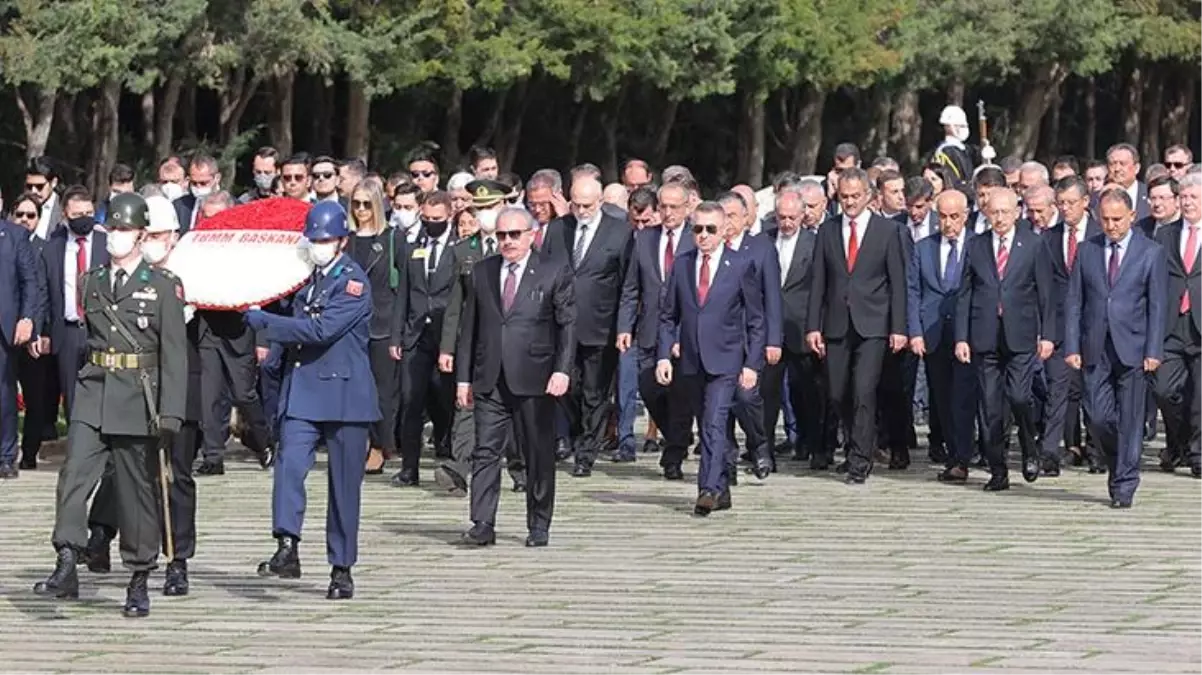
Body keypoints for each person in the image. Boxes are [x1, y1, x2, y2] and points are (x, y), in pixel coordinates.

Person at [33, 193, 188, 618]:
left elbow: (175, 353)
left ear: (140, 234)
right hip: (94, 389)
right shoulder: (94, 280)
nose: (116, 237)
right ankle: (67, 558)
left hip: (138, 396)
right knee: (73, 476)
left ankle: (138, 577)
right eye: (112, 229)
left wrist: (171, 410)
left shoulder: (162, 287)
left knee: (134, 490)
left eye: (124, 230)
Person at [246, 201, 379, 600]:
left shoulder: (353, 282)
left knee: (343, 487)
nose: (318, 245)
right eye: (314, 239)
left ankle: (341, 567)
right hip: (303, 390)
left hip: (344, 395)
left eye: (325, 239)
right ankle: (287, 543)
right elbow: (284, 304)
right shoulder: (305, 277)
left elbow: (322, 328)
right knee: (288, 466)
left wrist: (267, 323)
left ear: (341, 241)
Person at [81, 196, 200, 595]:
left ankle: (177, 556)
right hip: (127, 390)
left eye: (161, 235)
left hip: (178, 385)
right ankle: (103, 536)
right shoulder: (113, 277)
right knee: (122, 474)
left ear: (172, 238)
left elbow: (184, 348)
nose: (151, 242)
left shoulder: (181, 277)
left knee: (174, 475)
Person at [454, 208, 575, 547]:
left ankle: (538, 523)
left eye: (514, 235)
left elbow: (567, 326)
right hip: (490, 376)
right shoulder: (482, 271)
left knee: (537, 452)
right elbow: (470, 329)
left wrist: (562, 370)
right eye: (502, 235)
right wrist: (463, 379)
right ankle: (482, 521)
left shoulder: (552, 271)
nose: (507, 241)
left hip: (536, 376)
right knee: (485, 450)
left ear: (531, 235)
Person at [656, 202, 765, 516]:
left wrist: (751, 364)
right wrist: (664, 355)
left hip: (727, 359)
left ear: (725, 231)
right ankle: (722, 490)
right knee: (704, 421)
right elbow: (668, 316)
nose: (703, 235)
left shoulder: (741, 264)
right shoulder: (682, 264)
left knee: (714, 424)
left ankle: (707, 489)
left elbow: (756, 320)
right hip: (691, 359)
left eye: (710, 229)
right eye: (698, 229)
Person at [1066, 188, 1167, 508]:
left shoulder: (1150, 252)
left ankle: (1124, 483)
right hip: (1095, 345)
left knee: (1131, 418)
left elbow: (1158, 305)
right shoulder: (1087, 250)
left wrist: (1154, 350)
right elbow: (1074, 302)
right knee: (1096, 416)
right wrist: (1071, 345)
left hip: (1134, 347)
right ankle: (1118, 459)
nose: (1110, 226)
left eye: (1117, 220)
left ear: (1132, 217)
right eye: (1105, 219)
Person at [806, 168, 907, 484]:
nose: (849, 202)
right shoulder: (827, 231)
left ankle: (860, 460)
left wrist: (899, 327)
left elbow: (898, 284)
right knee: (838, 393)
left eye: (855, 196)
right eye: (844, 196)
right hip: (836, 323)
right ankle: (856, 442)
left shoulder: (887, 232)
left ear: (868, 197)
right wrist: (813, 326)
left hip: (874, 324)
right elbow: (818, 283)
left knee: (864, 390)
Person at [955, 188, 1056, 491]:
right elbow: (964, 295)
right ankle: (997, 470)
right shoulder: (976, 246)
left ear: (1016, 213)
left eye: (1004, 212)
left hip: (1021, 336)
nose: (999, 218)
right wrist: (962, 337)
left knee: (1020, 397)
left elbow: (1047, 295)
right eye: (993, 212)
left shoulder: (1034, 245)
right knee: (990, 407)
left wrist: (1048, 335)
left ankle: (1029, 447)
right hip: (985, 336)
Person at [540, 177, 634, 477]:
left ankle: (586, 453)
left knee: (595, 392)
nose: (581, 211)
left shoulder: (620, 232)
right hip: (562, 325)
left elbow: (627, 284)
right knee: (566, 388)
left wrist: (623, 326)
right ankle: (580, 432)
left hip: (600, 325)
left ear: (600, 203)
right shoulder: (558, 229)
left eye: (587, 205)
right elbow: (544, 275)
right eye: (576, 204)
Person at [436, 185, 527, 496]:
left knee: (514, 408)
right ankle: (460, 467)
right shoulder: (463, 250)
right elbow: (454, 306)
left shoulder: (519, 245)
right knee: (466, 404)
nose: (485, 213)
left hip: (514, 341)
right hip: (475, 342)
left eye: (492, 206)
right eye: (481, 207)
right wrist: (447, 347)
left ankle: (520, 468)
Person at [617, 183, 695, 480]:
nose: (669, 212)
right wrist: (625, 326)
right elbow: (631, 288)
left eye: (675, 207)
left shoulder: (696, 237)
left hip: (685, 331)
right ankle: (679, 434)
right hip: (649, 328)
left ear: (687, 207)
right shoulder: (645, 239)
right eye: (663, 206)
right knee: (649, 389)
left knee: (680, 395)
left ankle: (673, 453)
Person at [907, 190, 977, 481]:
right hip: (933, 330)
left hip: (969, 334)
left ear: (966, 216)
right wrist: (915, 331)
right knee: (943, 397)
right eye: (943, 217)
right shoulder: (923, 247)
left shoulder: (978, 245)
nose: (948, 223)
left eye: (954, 217)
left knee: (965, 396)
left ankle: (967, 451)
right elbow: (912, 291)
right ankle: (954, 455)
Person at [393, 191, 460, 487]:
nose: (432, 224)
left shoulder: (459, 249)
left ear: (450, 217)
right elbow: (403, 295)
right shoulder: (413, 247)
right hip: (415, 334)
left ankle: (449, 456)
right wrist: (396, 335)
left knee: (446, 399)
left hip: (446, 336)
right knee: (411, 400)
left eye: (438, 220)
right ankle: (409, 467)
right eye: (427, 219)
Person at [345, 181, 408, 475]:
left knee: (383, 391)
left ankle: (383, 445)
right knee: (355, 390)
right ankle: (363, 442)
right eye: (356, 203)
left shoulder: (393, 238)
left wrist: (398, 332)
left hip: (383, 324)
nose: (360, 210)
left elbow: (404, 290)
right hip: (351, 325)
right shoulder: (347, 240)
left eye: (366, 204)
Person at [1043, 176, 1103, 475]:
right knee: (1058, 389)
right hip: (1057, 325)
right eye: (1061, 203)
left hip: (1094, 323)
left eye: (1070, 203)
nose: (1065, 209)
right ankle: (1052, 453)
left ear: (1085, 202)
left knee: (1093, 388)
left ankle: (1096, 449)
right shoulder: (1049, 237)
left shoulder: (1100, 234)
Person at [1152, 173, 1202, 476]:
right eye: (1184, 198)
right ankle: (1178, 443)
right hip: (1171, 324)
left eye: (1194, 197)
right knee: (1163, 390)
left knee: (1201, 398)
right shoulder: (1165, 235)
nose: (1188, 203)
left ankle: (1198, 455)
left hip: (1200, 325)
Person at [0, 202, 45, 478]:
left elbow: (30, 281)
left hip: (4, 325)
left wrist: (27, 318)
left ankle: (5, 456)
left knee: (3, 393)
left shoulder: (15, 235)